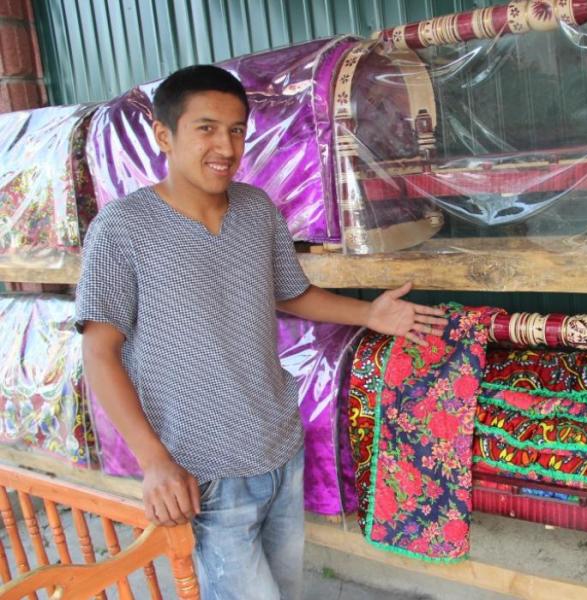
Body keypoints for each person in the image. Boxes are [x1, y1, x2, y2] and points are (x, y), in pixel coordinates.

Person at [75, 64, 447, 599]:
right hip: (203, 470)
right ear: (163, 135)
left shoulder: (255, 209)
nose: (225, 146)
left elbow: (289, 292)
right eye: (205, 128)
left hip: (279, 448)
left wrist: (370, 315)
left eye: (236, 130)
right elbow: (99, 352)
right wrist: (154, 462)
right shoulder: (122, 229)